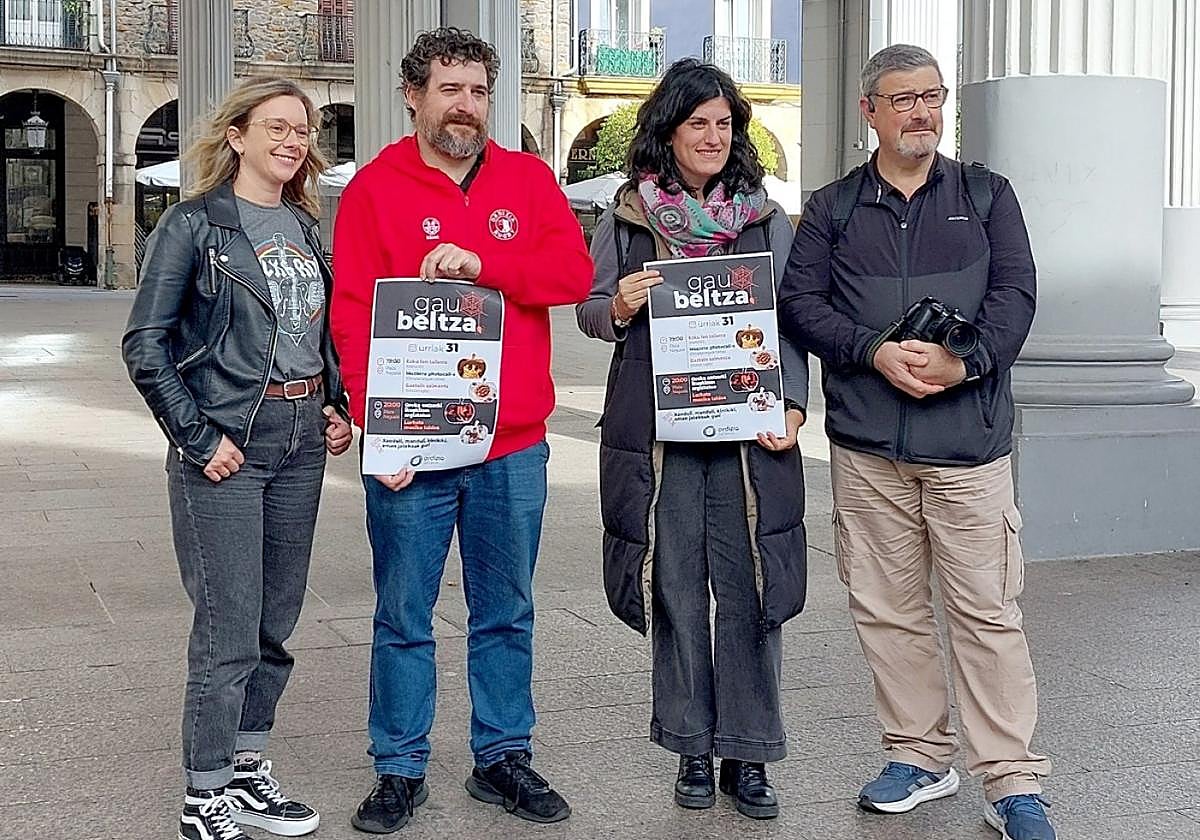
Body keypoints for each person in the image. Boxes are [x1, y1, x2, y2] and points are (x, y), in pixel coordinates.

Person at [778, 44, 1055, 840]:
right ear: (870, 112)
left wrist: (960, 359)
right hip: (870, 452)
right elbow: (801, 304)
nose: (922, 113)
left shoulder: (986, 195)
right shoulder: (831, 208)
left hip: (969, 450)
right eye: (903, 100)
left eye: (931, 97)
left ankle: (1011, 782)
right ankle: (919, 756)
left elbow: (1016, 296)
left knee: (987, 613)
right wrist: (872, 350)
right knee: (888, 612)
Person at [329, 27, 593, 834]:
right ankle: (399, 767)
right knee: (403, 611)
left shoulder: (528, 179)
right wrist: (385, 433)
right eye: (450, 89)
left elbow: (574, 277)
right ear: (413, 95)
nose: (466, 106)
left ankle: (502, 755)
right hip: (417, 444)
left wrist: (485, 264)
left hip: (512, 444)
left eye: (478, 91)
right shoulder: (374, 189)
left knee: (505, 610)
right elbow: (349, 315)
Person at [576, 57, 809, 821]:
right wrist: (618, 303)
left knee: (752, 594)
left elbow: (793, 324)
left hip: (749, 436)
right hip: (661, 439)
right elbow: (586, 309)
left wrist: (796, 407)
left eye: (723, 124)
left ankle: (750, 752)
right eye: (696, 123)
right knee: (675, 589)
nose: (712, 136)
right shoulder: (627, 217)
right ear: (668, 132)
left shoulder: (768, 220)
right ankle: (690, 747)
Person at [122, 76, 354, 840]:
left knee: (274, 624)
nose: (294, 142)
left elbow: (309, 334)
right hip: (227, 443)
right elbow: (145, 345)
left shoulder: (302, 223)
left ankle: (248, 767)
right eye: (278, 128)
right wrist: (195, 437)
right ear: (238, 136)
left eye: (303, 131)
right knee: (227, 630)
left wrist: (334, 403)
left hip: (298, 440)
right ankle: (205, 793)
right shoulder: (194, 225)